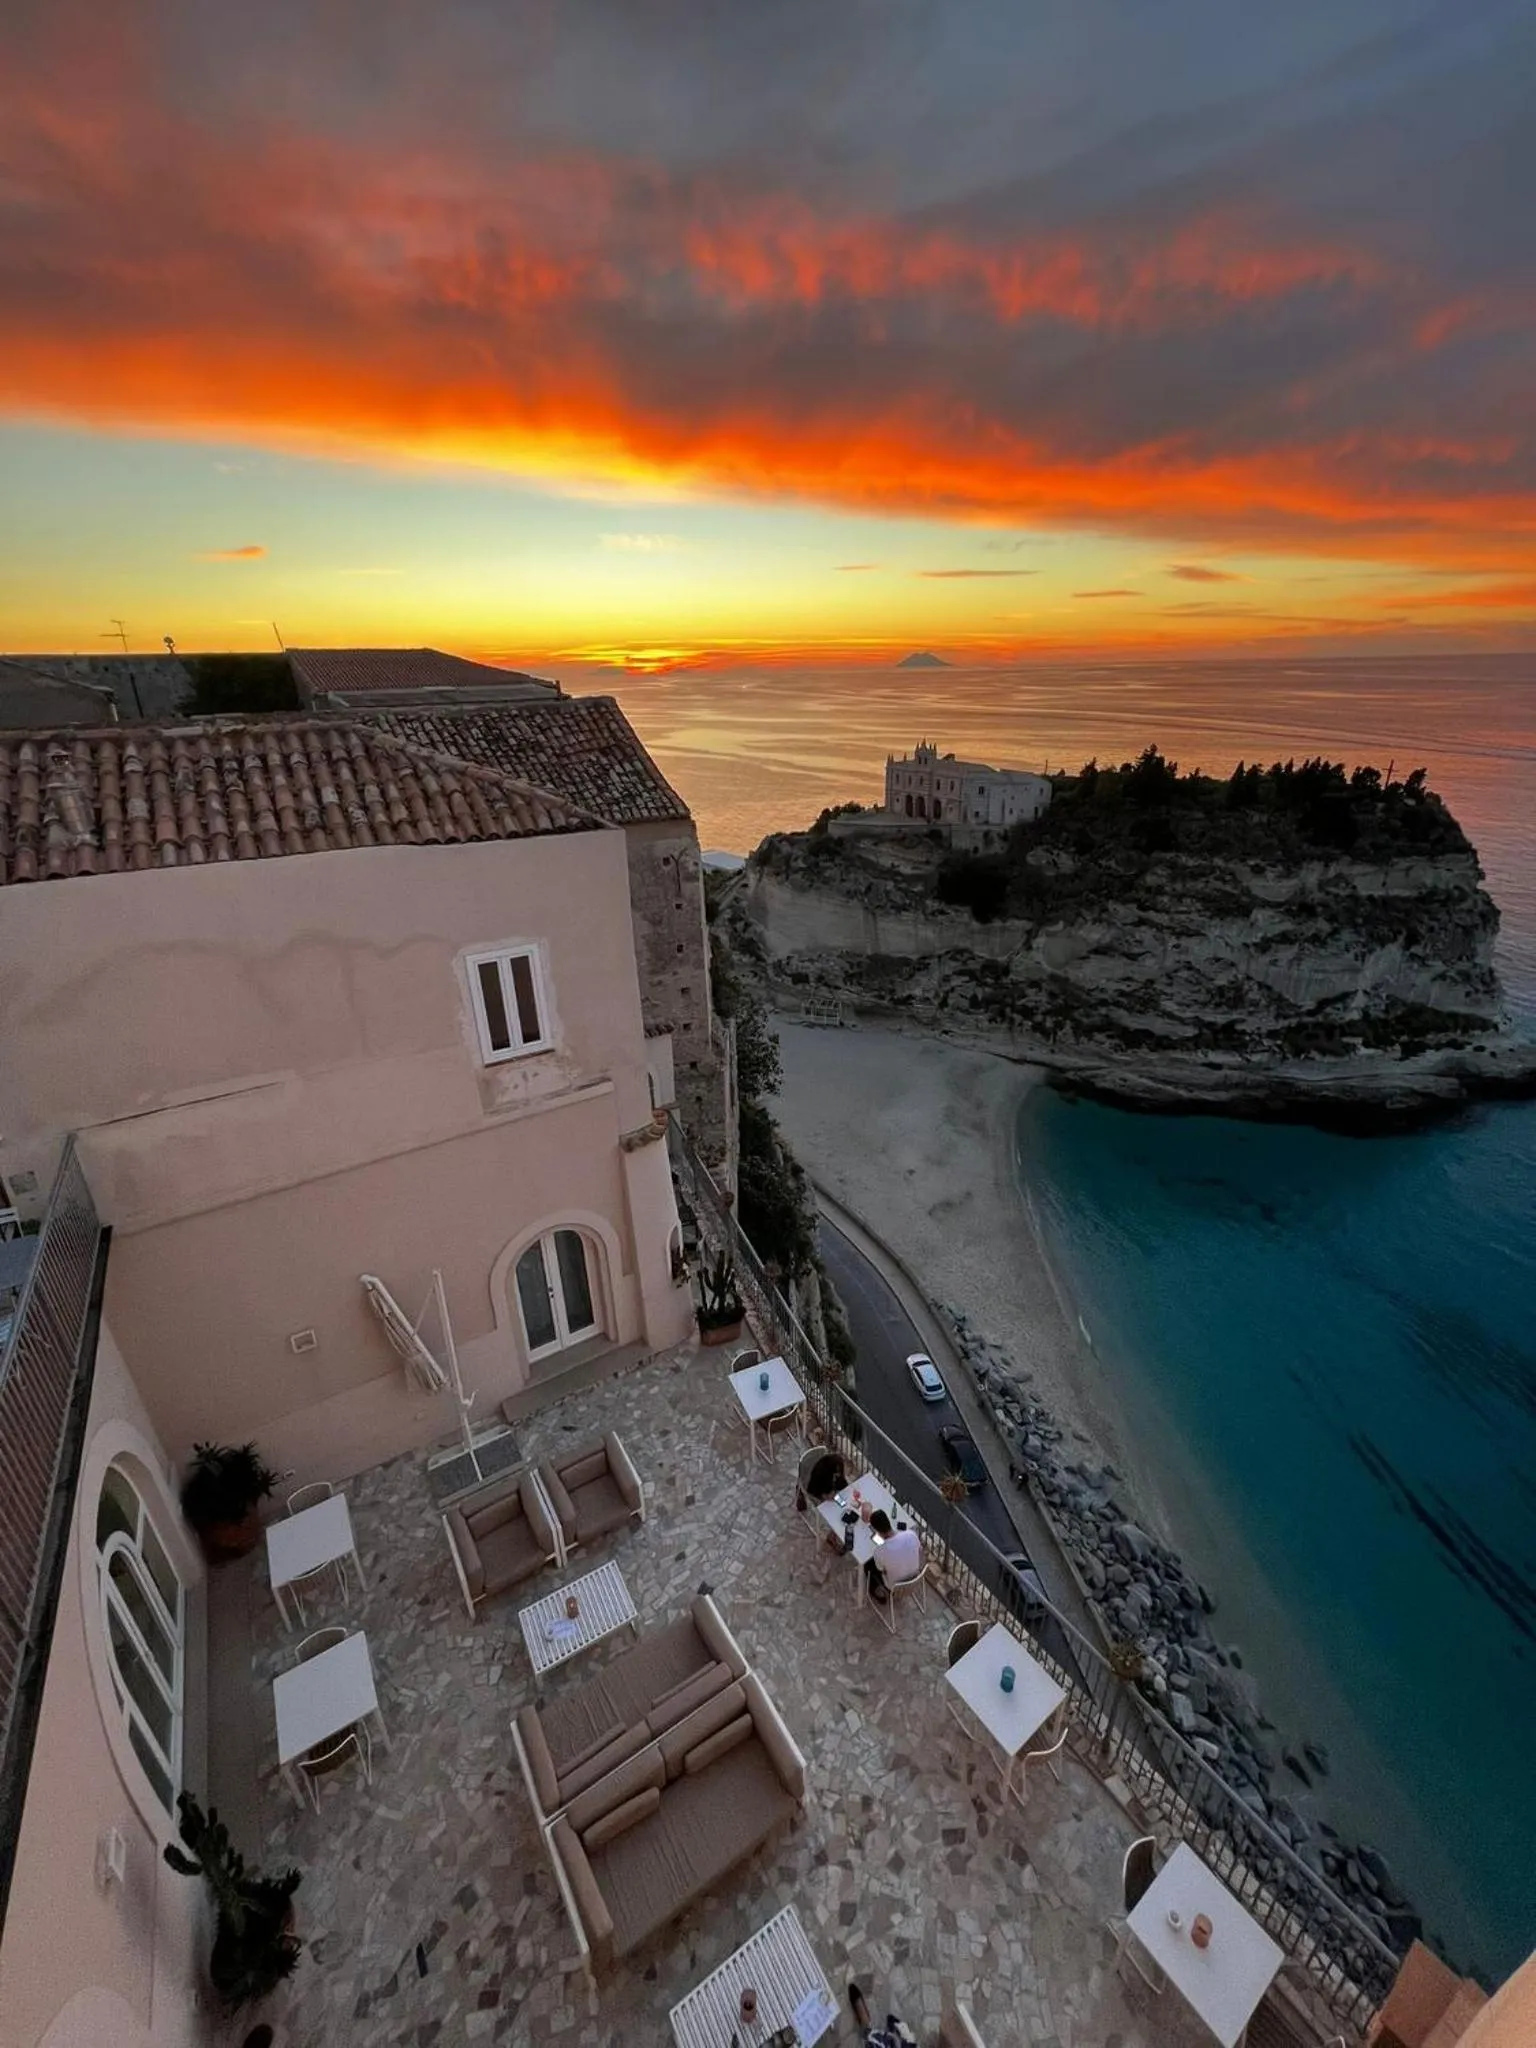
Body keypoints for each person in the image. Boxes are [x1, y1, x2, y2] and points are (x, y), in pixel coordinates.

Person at [863, 1510, 921, 1603]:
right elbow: (919, 1550)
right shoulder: (911, 1534)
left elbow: (882, 1570)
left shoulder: (879, 1552)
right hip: (915, 1579)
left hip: (896, 1588)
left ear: (877, 1531)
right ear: (888, 1521)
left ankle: (873, 1591)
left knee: (868, 1566)